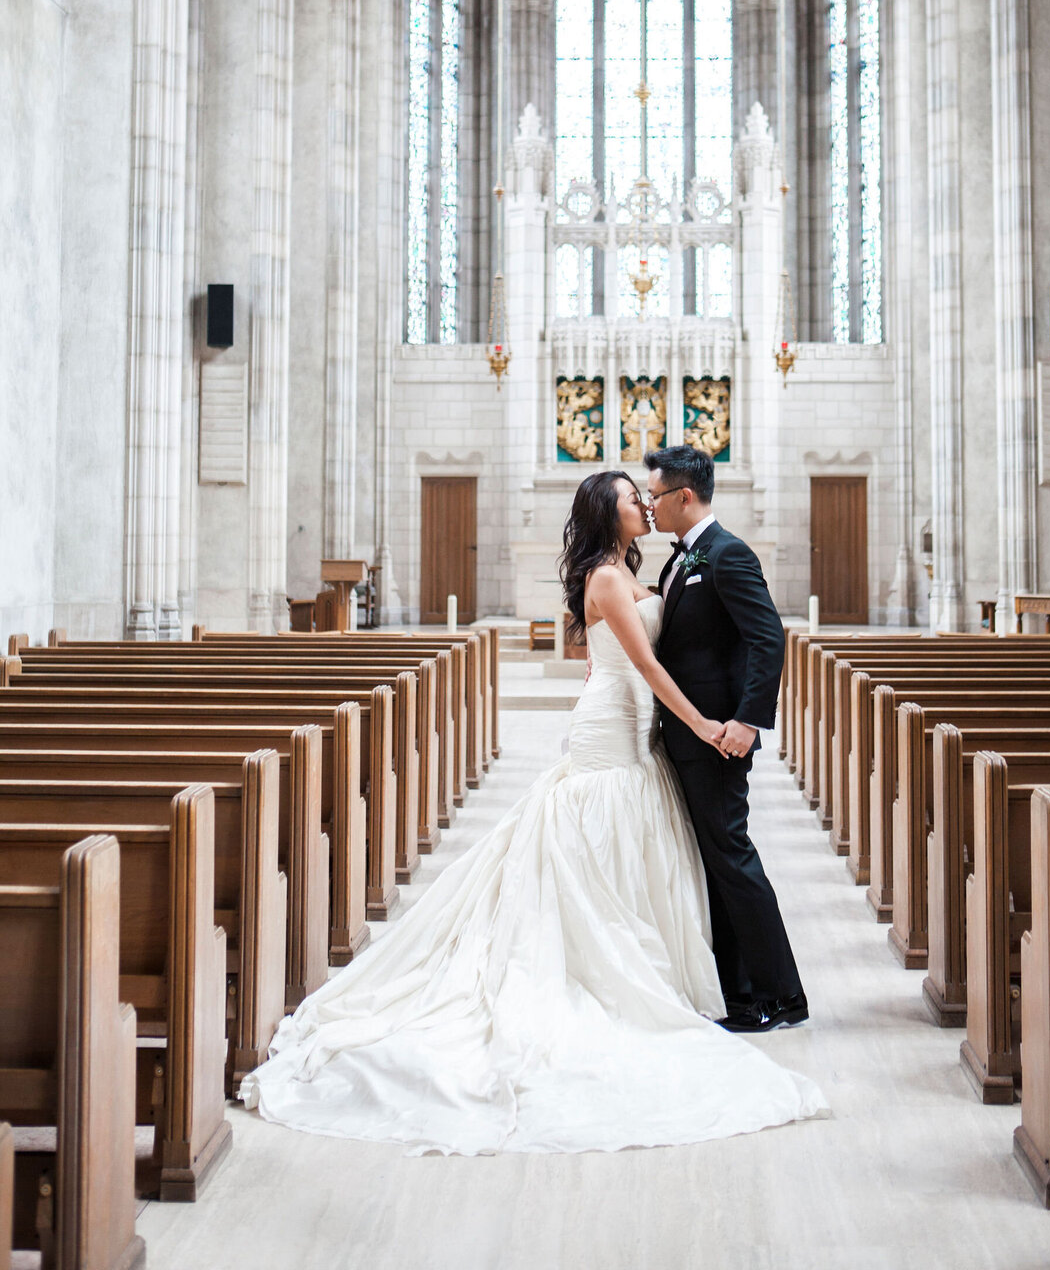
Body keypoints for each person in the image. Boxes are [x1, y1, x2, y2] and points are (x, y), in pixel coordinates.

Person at [240, 468, 826, 1154]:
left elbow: (655, 647)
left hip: (641, 735)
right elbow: (643, 666)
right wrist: (700, 723)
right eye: (631, 499)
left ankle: (736, 983)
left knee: (649, 851)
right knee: (603, 850)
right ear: (607, 516)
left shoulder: (651, 567)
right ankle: (666, 980)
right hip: (621, 729)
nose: (643, 502)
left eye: (647, 494)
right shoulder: (609, 579)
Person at [645, 444, 808, 1033]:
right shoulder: (683, 558)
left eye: (655, 495)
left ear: (684, 496)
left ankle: (779, 995)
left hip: (719, 736)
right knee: (715, 860)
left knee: (732, 858)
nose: (649, 505)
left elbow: (768, 639)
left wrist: (747, 720)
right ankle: (738, 990)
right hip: (692, 733)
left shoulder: (726, 554)